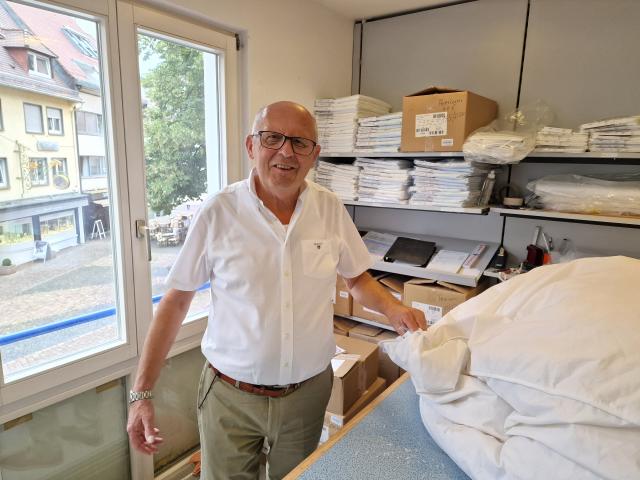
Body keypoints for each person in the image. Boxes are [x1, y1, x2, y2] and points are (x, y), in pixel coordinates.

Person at [126, 101, 426, 479]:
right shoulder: (218, 212)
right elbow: (175, 302)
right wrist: (141, 393)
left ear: (314, 155)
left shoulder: (329, 208)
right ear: (251, 146)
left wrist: (394, 309)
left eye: (300, 143)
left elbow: (357, 279)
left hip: (306, 397)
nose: (286, 152)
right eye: (272, 138)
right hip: (230, 398)